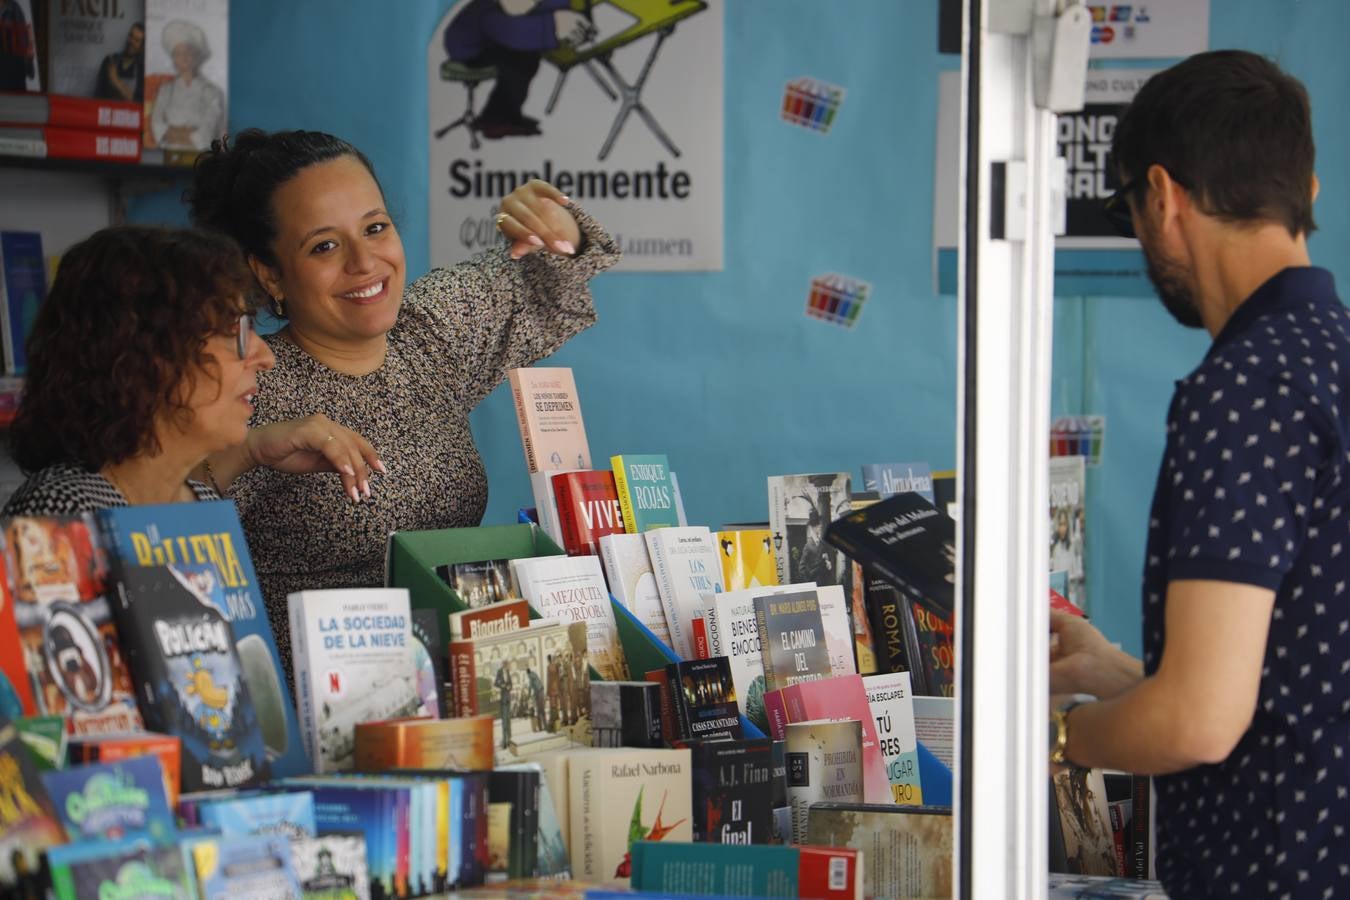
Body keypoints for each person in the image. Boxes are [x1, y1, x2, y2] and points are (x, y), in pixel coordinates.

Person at [1047, 50, 1348, 896]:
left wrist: (1055, 738)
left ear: (1166, 196)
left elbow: (1200, 721)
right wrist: (1121, 680)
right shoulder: (1332, 361)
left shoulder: (1248, 385)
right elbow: (1302, 678)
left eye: (1133, 211)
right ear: (1305, 193)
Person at [188, 128, 619, 673]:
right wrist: (248, 450)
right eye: (324, 246)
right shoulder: (248, 384)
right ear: (269, 273)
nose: (365, 262)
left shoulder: (430, 330)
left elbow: (548, 274)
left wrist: (555, 223)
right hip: (320, 708)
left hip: (458, 688)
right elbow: (160, 534)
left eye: (375, 228)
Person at [3, 226, 379, 518]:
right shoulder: (62, 511)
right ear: (147, 356)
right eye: (236, 331)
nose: (265, 357)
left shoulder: (201, 502)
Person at [442, 0, 593, 138]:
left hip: (494, 39)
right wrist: (553, 26)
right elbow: (512, 31)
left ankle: (504, 115)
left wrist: (573, 20)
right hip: (472, 50)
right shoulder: (491, 10)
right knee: (519, 64)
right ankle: (497, 122)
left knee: (526, 60)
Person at [149, 19, 225, 151]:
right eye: (178, 53)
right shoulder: (166, 90)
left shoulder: (213, 92)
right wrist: (189, 132)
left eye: (188, 52)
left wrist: (173, 131)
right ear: (173, 59)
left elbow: (207, 135)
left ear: (197, 56)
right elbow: (157, 127)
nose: (184, 57)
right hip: (168, 159)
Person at [95, 20, 144, 102]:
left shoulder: (141, 69)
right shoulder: (110, 60)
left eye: (137, 40)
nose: (131, 41)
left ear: (142, 47)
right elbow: (97, 95)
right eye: (131, 36)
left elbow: (138, 102)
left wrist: (116, 80)